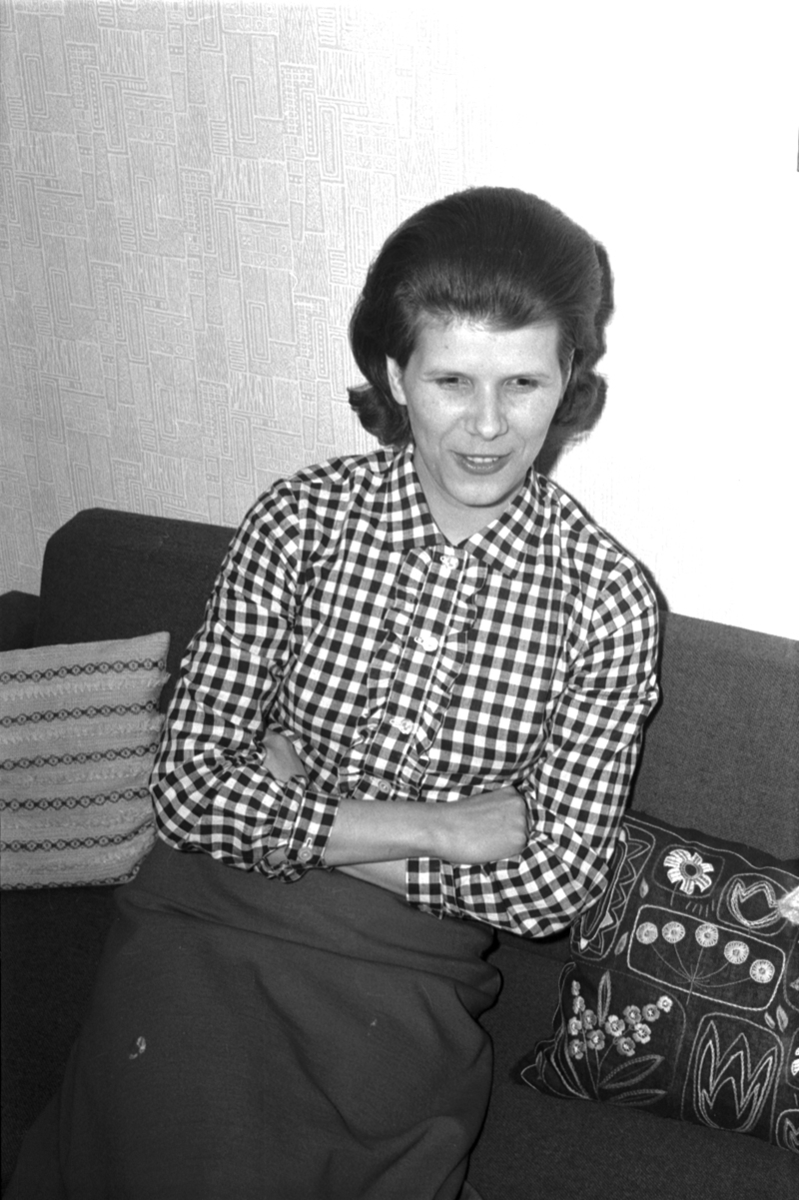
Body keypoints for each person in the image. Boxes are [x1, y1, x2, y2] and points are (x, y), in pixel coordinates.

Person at [7, 187, 660, 1200]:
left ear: (568, 376)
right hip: (203, 930)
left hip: (403, 984)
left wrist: (290, 805)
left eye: (523, 382)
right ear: (396, 376)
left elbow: (554, 886)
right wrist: (443, 830)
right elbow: (187, 793)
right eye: (451, 380)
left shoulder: (607, 600)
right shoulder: (298, 522)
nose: (488, 427)